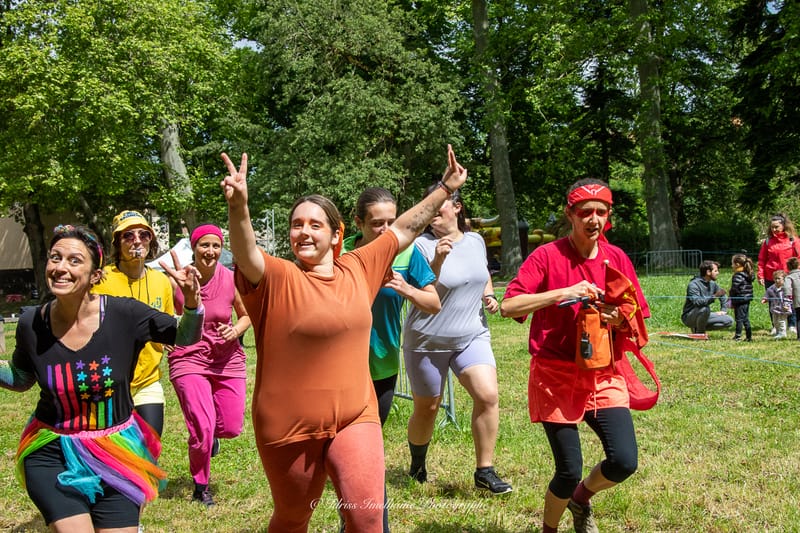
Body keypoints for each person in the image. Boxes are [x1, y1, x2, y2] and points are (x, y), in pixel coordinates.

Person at [219, 145, 467, 533]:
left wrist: (445, 187)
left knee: (367, 517)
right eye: (297, 224)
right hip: (289, 425)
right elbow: (247, 252)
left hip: (356, 415)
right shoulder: (276, 277)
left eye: (315, 224)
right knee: (293, 517)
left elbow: (402, 229)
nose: (304, 231)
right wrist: (239, 207)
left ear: (337, 235)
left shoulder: (360, 266)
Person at [0, 224, 203, 532]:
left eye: (74, 260)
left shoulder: (125, 315)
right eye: (55, 258)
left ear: (96, 276)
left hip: (117, 450)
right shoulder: (32, 323)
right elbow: (20, 378)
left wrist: (191, 303)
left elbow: (185, 336)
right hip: (52, 449)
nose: (61, 268)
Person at [500, 178, 649, 533]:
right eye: (585, 212)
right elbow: (509, 306)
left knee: (624, 461)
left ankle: (581, 500)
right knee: (568, 469)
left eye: (601, 212)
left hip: (603, 371)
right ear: (570, 214)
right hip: (555, 372)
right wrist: (562, 292)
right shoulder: (547, 256)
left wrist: (619, 317)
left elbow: (637, 314)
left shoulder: (617, 258)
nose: (593, 219)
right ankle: (549, 529)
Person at [340, 187, 441, 533]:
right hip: (337, 370)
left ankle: (366, 524)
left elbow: (433, 302)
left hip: (381, 367)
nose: (385, 230)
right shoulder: (339, 251)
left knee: (366, 455)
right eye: (376, 223)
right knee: (344, 454)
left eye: (390, 222)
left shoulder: (407, 252)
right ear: (358, 222)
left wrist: (405, 287)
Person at [402, 185, 512, 495]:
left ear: (457, 207)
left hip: (471, 335)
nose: (433, 214)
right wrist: (436, 262)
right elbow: (423, 294)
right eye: (429, 209)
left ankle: (484, 470)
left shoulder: (476, 240)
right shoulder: (421, 247)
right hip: (427, 340)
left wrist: (488, 293)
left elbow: (482, 272)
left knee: (488, 396)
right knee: (428, 407)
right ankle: (418, 463)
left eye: (440, 207)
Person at [168, 224, 251, 507]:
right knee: (201, 428)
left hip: (226, 358)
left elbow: (246, 315)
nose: (211, 251)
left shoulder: (229, 278)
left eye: (216, 246)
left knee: (231, 427)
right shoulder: (178, 279)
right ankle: (201, 486)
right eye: (205, 245)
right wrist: (165, 336)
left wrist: (236, 330)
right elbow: (161, 314)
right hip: (188, 357)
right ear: (193, 248)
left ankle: (211, 438)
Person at [93, 210, 174, 437]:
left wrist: (191, 301)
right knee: (112, 452)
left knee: (150, 448)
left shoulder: (161, 281)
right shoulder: (102, 280)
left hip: (148, 380)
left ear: (151, 241)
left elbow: (169, 327)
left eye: (144, 235)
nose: (137, 240)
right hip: (109, 382)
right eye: (128, 235)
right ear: (117, 243)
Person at [757, 213, 800, 334]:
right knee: (773, 301)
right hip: (771, 276)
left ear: (784, 226)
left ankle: (792, 324)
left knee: (791, 299)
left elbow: (799, 258)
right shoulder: (767, 242)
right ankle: (775, 325)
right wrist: (760, 275)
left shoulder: (793, 241)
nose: (774, 229)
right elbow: (762, 259)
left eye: (776, 227)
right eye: (772, 227)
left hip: (789, 276)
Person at [680, 260, 733, 334]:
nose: (718, 273)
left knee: (729, 320)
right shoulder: (693, 284)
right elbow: (697, 302)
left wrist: (723, 310)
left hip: (705, 314)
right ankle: (700, 333)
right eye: (716, 271)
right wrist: (714, 296)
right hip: (689, 316)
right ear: (708, 272)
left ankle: (697, 328)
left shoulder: (712, 284)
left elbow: (722, 295)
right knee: (705, 308)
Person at [729, 254, 755, 342]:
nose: (731, 265)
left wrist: (731, 297)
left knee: (739, 319)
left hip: (739, 299)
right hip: (746, 299)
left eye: (732, 263)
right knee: (745, 318)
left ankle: (738, 336)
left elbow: (734, 288)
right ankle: (748, 336)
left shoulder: (738, 275)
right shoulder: (747, 274)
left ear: (737, 264)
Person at [761, 269, 793, 339]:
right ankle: (778, 332)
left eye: (779, 279)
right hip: (774, 308)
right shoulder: (771, 288)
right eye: (775, 279)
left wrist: (787, 305)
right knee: (775, 321)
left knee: (782, 321)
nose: (777, 280)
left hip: (783, 308)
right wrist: (765, 299)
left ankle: (783, 333)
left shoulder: (785, 288)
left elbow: (789, 298)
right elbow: (767, 294)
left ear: (784, 279)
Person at [784, 257, 800, 340]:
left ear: (788, 267)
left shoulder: (789, 277)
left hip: (798, 301)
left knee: (799, 318)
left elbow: (787, 288)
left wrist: (787, 298)